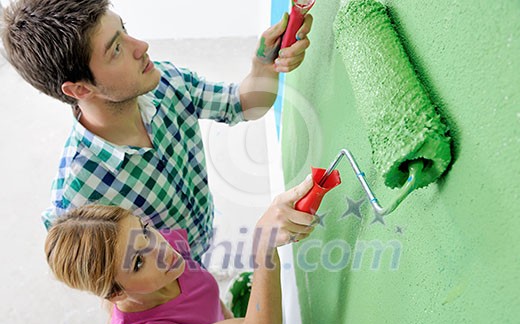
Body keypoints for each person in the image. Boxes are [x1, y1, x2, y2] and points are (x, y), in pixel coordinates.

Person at [1, 0, 313, 262]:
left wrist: (264, 66)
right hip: (162, 293)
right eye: (117, 49)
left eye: (124, 31)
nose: (142, 47)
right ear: (80, 89)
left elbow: (244, 104)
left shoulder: (166, 82)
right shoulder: (76, 198)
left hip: (198, 249)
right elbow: (104, 281)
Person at [45, 176, 317, 324]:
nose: (162, 249)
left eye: (145, 229)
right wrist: (263, 247)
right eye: (138, 262)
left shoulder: (161, 248)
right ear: (116, 293)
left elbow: (210, 299)